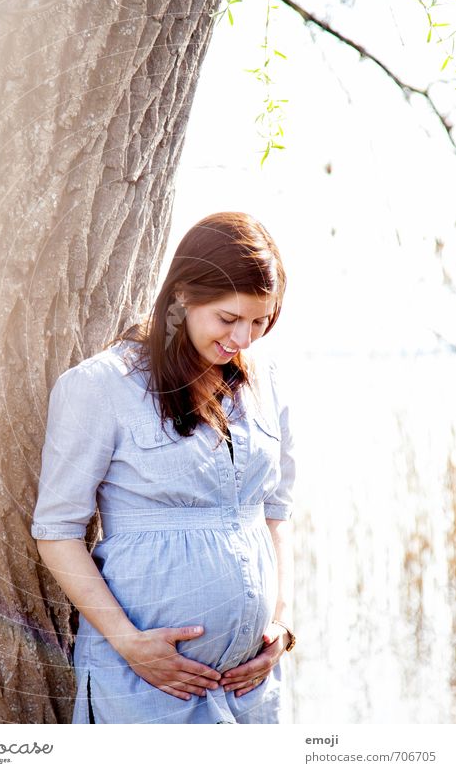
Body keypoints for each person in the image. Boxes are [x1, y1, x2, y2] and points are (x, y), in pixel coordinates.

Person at [31, 211, 296, 724]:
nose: (244, 339)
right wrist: (131, 645)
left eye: (261, 321)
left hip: (252, 690)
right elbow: (57, 532)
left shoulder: (267, 383)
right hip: (145, 685)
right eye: (227, 318)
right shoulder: (100, 387)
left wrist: (282, 626)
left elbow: (277, 513)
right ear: (182, 296)